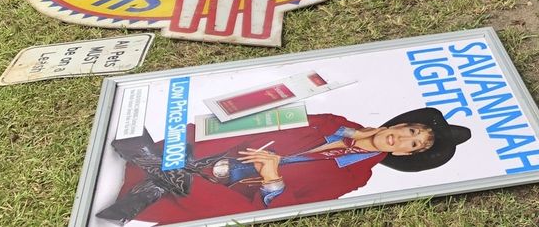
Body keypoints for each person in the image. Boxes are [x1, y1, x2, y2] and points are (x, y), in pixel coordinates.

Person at [96, 107, 471, 224]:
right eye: (410, 131)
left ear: (405, 155)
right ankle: (154, 181)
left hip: (231, 187)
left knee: (234, 213)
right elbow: (270, 118)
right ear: (396, 124)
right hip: (223, 151)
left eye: (413, 146)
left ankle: (152, 169)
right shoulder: (333, 121)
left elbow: (292, 205)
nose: (404, 140)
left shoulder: (356, 177)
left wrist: (272, 178)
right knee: (220, 135)